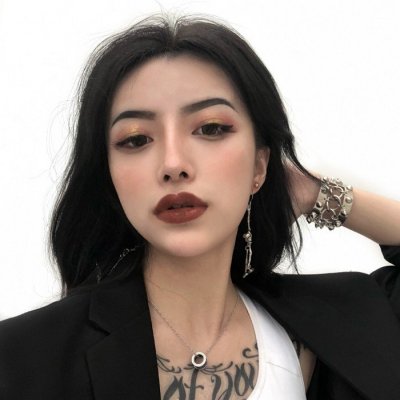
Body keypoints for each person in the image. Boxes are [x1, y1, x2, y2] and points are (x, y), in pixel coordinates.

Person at [0, 14, 399, 400]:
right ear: (109, 175)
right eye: (136, 139)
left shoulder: (337, 326)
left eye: (211, 129)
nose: (173, 164)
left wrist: (317, 193)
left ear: (259, 166)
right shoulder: (21, 358)